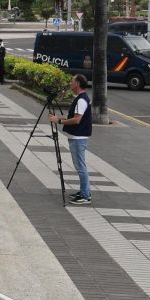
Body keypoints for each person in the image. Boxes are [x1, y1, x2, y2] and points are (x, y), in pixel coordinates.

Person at [56, 73, 94, 205]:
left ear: (77, 84)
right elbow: (72, 116)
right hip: (77, 136)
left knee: (80, 167)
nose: (70, 83)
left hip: (79, 137)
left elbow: (77, 120)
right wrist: (59, 118)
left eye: (72, 81)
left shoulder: (81, 100)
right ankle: (84, 191)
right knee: (80, 166)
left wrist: (59, 121)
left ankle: (85, 195)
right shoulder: (80, 98)